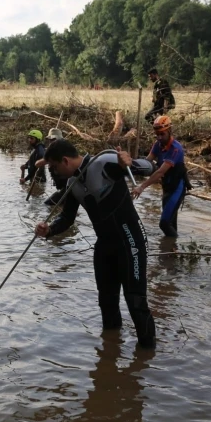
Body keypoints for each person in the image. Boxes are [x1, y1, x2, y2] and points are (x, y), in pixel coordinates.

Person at [34, 139, 156, 348]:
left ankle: (146, 359)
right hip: (105, 247)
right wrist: (50, 230)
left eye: (54, 167)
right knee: (107, 304)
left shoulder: (104, 162)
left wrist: (128, 162)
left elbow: (148, 167)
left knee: (136, 303)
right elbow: (67, 218)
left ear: (64, 160)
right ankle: (110, 354)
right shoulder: (73, 184)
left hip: (131, 243)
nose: (54, 173)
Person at [131, 115, 190, 237]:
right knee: (171, 223)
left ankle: (176, 247)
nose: (159, 137)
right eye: (157, 134)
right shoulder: (157, 144)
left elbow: (160, 172)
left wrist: (142, 187)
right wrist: (130, 166)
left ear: (169, 131)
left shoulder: (175, 149)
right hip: (166, 187)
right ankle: (171, 251)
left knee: (164, 223)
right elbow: (147, 162)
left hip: (177, 188)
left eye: (162, 134)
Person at [37, 128, 68, 206]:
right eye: (50, 140)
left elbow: (38, 164)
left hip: (68, 187)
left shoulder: (60, 151)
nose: (51, 142)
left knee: (47, 204)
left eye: (53, 140)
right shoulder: (57, 149)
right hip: (64, 187)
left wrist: (48, 156)